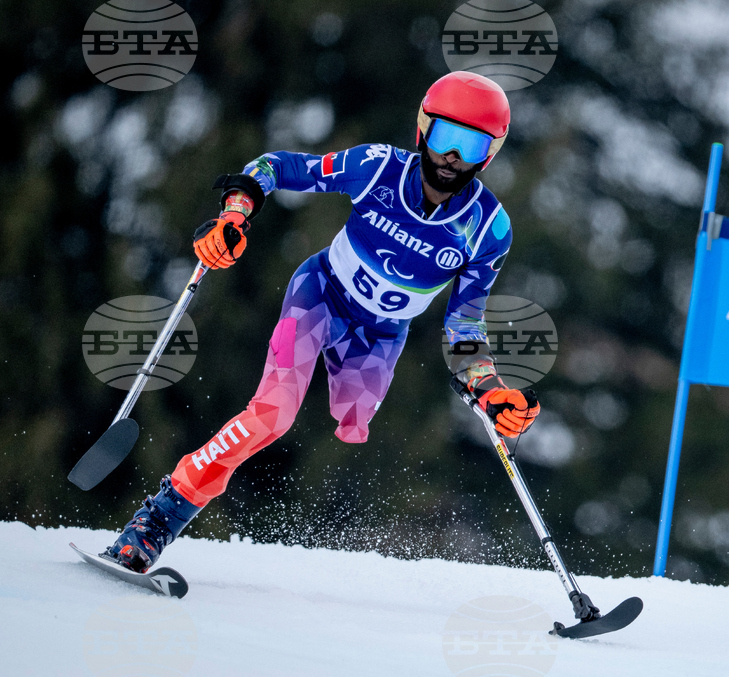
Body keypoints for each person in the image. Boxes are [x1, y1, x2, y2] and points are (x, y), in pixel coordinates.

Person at [105, 72, 540, 573]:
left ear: (491, 152)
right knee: (272, 415)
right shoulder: (376, 168)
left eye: (472, 145)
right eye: (445, 139)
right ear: (423, 129)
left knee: (354, 420)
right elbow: (279, 167)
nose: (453, 159)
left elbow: (464, 325)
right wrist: (236, 212)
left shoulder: (489, 228)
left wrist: (489, 389)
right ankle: (155, 522)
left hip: (379, 337)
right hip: (319, 297)